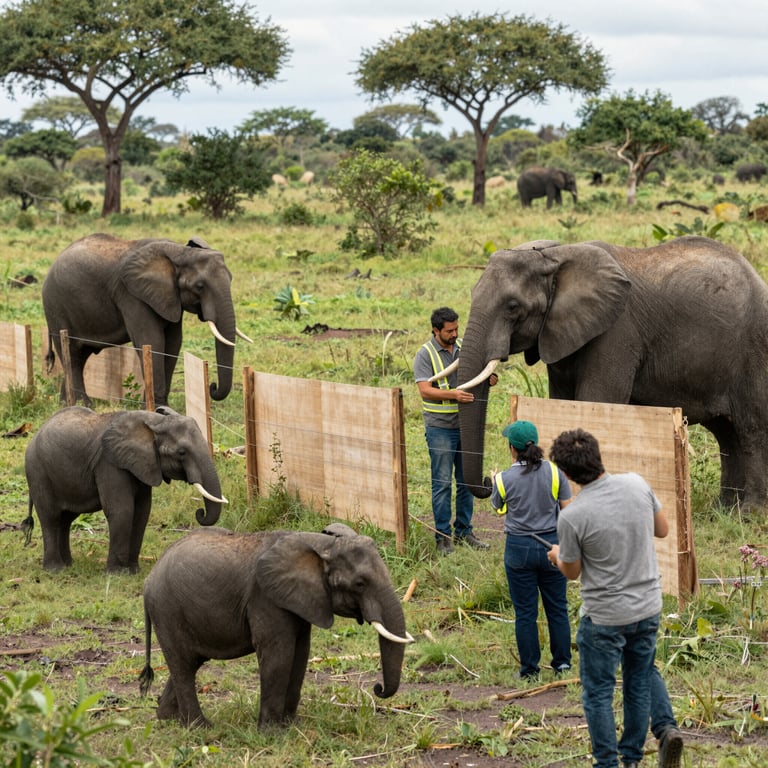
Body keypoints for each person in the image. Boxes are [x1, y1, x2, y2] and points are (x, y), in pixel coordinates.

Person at [546, 428, 684, 768]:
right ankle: (632, 758)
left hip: (604, 617)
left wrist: (557, 556)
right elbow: (663, 529)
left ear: (565, 473)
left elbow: (573, 572)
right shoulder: (637, 484)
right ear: (598, 455)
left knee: (598, 693)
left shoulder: (572, 516)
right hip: (648, 606)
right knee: (638, 683)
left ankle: (606, 763)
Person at [489, 420, 573, 679]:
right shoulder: (555, 472)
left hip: (519, 548)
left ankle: (529, 670)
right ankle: (562, 665)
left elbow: (499, 508)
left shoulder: (503, 478)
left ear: (511, 449)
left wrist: (493, 481)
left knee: (525, 612)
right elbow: (568, 509)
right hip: (552, 545)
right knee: (557, 607)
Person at [413, 306, 492, 554]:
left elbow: (476, 374)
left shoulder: (463, 349)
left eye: (457, 328)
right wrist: (453, 395)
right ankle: (442, 536)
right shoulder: (424, 355)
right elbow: (425, 390)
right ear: (435, 330)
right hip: (440, 429)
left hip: (464, 426)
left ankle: (464, 532)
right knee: (442, 483)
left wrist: (489, 378)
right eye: (449, 330)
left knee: (466, 481)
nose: (454, 333)